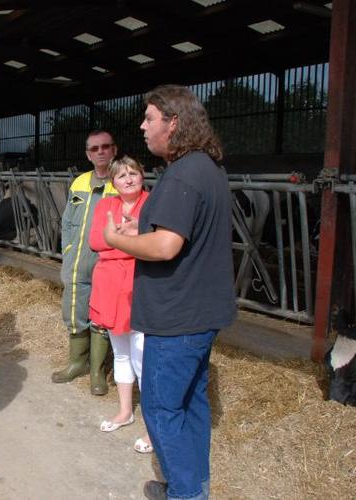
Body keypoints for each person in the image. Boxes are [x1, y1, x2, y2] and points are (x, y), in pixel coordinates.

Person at [103, 85, 235, 500]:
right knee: (192, 403)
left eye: (150, 118)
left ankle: (184, 495)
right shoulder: (205, 169)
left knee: (161, 409)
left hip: (176, 318)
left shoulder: (181, 174)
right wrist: (139, 228)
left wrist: (116, 238)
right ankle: (193, 486)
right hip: (201, 314)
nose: (142, 127)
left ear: (174, 123)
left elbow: (166, 246)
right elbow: (174, 231)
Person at [88, 155, 152, 454]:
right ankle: (125, 412)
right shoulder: (105, 205)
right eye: (121, 175)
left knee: (144, 357)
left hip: (140, 285)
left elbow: (156, 242)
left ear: (142, 175)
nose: (128, 178)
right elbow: (95, 241)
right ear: (113, 182)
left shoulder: (152, 203)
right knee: (122, 353)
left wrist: (118, 237)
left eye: (133, 172)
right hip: (111, 285)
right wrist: (131, 238)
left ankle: (155, 428)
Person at [53, 130, 119, 395]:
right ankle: (76, 363)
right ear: (88, 154)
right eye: (94, 149)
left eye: (105, 147)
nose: (100, 152)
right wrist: (67, 250)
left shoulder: (122, 182)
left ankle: (97, 372)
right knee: (74, 309)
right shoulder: (79, 182)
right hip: (78, 259)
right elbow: (67, 221)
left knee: (101, 314)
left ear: (114, 150)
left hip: (107, 262)